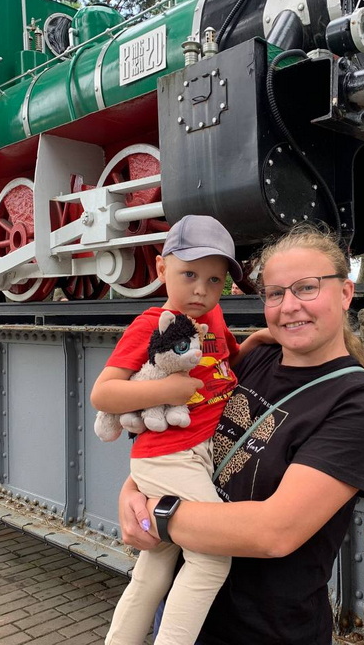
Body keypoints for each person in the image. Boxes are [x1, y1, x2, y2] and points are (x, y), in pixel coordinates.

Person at [118, 224, 364, 645]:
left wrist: (154, 514)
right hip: (183, 618)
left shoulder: (357, 403)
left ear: (345, 293)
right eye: (275, 293)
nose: (289, 307)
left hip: (265, 631)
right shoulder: (256, 357)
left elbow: (274, 532)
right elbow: (189, 431)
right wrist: (132, 490)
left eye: (307, 288)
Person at [91, 215, 270, 645]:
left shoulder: (214, 315)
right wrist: (169, 387)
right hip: (168, 456)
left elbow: (222, 368)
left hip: (192, 454)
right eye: (189, 274)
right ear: (160, 269)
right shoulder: (150, 324)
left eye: (215, 280)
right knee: (212, 558)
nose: (201, 290)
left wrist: (254, 343)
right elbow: (103, 394)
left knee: (155, 565)